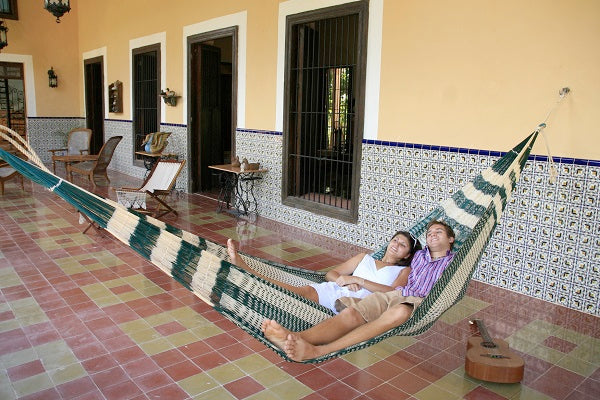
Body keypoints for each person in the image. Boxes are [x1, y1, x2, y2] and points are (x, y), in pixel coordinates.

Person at [261, 219, 456, 362]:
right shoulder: (419, 256)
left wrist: (359, 280)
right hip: (396, 294)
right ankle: (294, 338)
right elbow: (395, 260)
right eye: (429, 232)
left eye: (438, 232)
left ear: (451, 239)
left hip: (420, 301)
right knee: (353, 312)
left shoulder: (454, 261)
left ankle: (318, 351)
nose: (432, 234)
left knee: (400, 311)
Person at [226, 230, 422, 313]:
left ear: (407, 255)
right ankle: (249, 271)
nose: (396, 244)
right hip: (336, 291)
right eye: (395, 240)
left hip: (359, 305)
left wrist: (359, 280)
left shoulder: (403, 270)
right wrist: (344, 280)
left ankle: (249, 272)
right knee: (300, 293)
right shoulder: (365, 258)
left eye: (403, 245)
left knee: (296, 296)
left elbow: (393, 294)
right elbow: (332, 274)